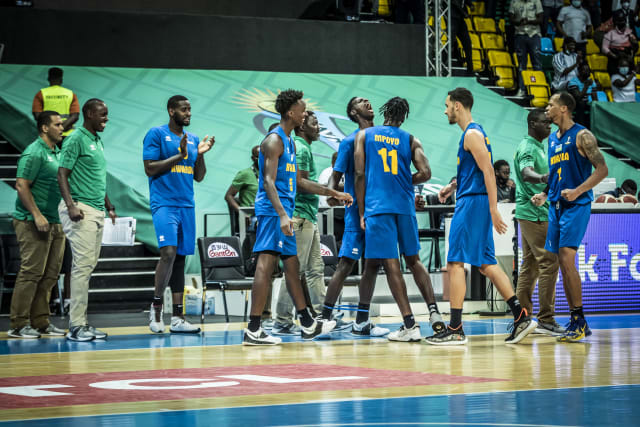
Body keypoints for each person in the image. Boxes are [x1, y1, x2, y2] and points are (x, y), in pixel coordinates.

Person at [426, 87, 537, 346]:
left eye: (447, 105)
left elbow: (488, 171)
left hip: (473, 203)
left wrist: (494, 209)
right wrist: (452, 186)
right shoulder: (473, 133)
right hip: (474, 199)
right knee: (487, 264)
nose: (445, 110)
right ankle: (520, 315)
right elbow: (476, 171)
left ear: (458, 105)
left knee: (455, 263)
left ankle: (455, 328)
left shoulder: (472, 134)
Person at [243, 89, 352, 345]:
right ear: (291, 112)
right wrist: (282, 215)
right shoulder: (273, 141)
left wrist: (333, 192)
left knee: (293, 268)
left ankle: (307, 323)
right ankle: (254, 329)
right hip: (273, 212)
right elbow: (268, 182)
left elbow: (301, 182)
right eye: (302, 111)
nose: (305, 115)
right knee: (265, 265)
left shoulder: (290, 142)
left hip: (287, 213)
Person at [354, 97, 445, 342]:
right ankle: (434, 312)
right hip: (405, 206)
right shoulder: (411, 139)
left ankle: (409, 324)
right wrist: (404, 181)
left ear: (385, 113)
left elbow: (360, 174)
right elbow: (426, 173)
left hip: (378, 207)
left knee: (391, 264)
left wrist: (361, 211)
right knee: (414, 260)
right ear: (403, 118)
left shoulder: (365, 136)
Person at [531, 92, 608, 342]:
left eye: (550, 105)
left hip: (576, 205)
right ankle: (577, 320)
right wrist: (544, 193)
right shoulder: (553, 139)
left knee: (566, 258)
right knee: (560, 262)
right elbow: (555, 172)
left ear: (563, 108)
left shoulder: (582, 135)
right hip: (555, 205)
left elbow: (602, 169)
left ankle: (579, 319)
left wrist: (578, 191)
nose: (547, 108)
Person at [319, 96, 389, 337]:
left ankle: (361, 321)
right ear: (353, 112)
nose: (367, 101)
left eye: (367, 99)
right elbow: (335, 176)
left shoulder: (382, 139)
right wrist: (333, 194)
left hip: (379, 212)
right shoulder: (349, 142)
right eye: (360, 101)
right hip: (356, 214)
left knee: (373, 264)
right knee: (346, 264)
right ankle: (324, 318)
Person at [144, 95, 214, 334]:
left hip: (186, 205)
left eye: (190, 109)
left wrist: (200, 154)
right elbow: (149, 168)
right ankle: (156, 309)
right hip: (164, 203)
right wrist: (180, 155)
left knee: (181, 258)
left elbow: (199, 176)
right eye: (184, 109)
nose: (188, 113)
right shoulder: (156, 134)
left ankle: (177, 317)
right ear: (171, 111)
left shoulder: (192, 139)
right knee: (168, 253)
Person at [272, 111, 344, 334]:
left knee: (315, 269)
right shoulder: (301, 148)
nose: (319, 128)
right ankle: (282, 320)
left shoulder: (303, 147)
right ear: (302, 126)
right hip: (300, 216)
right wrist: (332, 191)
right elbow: (300, 183)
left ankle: (323, 314)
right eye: (315, 123)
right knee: (296, 271)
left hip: (308, 216)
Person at [58, 98, 116, 342]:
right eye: (102, 114)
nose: (106, 118)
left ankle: (81, 322)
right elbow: (62, 173)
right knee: (82, 268)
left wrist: (109, 205)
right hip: (80, 208)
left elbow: (95, 176)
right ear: (89, 114)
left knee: (87, 267)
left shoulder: (96, 140)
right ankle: (76, 326)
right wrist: (71, 205)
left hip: (96, 209)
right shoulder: (76, 139)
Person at [8, 111, 67, 339]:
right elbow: (21, 185)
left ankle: (41, 321)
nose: (62, 128)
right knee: (31, 273)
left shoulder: (56, 152)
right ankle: (18, 324)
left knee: (51, 274)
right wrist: (37, 215)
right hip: (31, 221)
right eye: (57, 124)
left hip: (55, 221)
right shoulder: (34, 152)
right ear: (44, 128)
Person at [513, 109, 564, 336]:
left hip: (530, 212)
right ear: (533, 123)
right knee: (549, 263)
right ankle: (546, 319)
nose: (550, 126)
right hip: (536, 213)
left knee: (530, 265)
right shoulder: (528, 147)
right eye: (545, 122)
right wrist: (543, 177)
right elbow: (526, 172)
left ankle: (523, 318)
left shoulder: (538, 146)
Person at [225, 142, 275, 326]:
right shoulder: (245, 174)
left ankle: (268, 313)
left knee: (273, 270)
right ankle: (260, 315)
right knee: (262, 268)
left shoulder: (274, 171)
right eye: (257, 156)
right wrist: (241, 212)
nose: (260, 158)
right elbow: (229, 195)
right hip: (253, 221)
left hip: (272, 219)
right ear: (253, 158)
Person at [32, 67, 80, 139]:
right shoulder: (70, 94)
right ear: (61, 80)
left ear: (48, 79)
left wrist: (53, 129)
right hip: (67, 135)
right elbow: (75, 116)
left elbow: (37, 116)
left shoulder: (41, 94)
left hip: (49, 135)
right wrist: (61, 128)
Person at [509, 0, 544, 95]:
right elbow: (511, 19)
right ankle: (522, 89)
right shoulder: (514, 2)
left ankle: (539, 90)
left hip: (534, 34)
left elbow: (541, 19)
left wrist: (529, 21)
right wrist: (518, 22)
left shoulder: (536, 1)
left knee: (537, 64)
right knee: (521, 65)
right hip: (520, 34)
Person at [602, 10, 638, 76]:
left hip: (627, 59)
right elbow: (604, 48)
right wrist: (614, 56)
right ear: (615, 22)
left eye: (623, 20)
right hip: (615, 60)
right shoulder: (610, 34)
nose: (622, 23)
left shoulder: (629, 32)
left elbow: (635, 47)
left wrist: (634, 43)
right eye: (620, 21)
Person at [451, 0, 474, 75]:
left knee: (467, 44)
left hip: (460, 20)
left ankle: (470, 70)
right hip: (453, 19)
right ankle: (441, 65)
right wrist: (464, 12)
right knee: (450, 44)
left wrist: (470, 4)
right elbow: (455, 2)